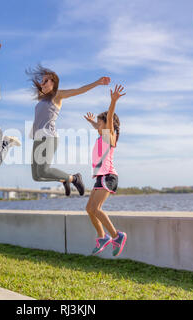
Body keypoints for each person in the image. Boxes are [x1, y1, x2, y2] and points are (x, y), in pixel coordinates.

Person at [28, 64, 111, 196]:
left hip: (49, 137)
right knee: (36, 176)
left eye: (45, 81)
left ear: (53, 83)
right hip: (37, 138)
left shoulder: (57, 95)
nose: (42, 83)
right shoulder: (42, 97)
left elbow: (79, 90)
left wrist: (97, 82)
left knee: (44, 171)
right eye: (42, 81)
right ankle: (65, 179)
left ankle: (74, 178)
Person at [84, 84, 127, 257]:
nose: (98, 125)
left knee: (96, 208)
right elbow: (99, 126)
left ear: (107, 125)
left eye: (100, 122)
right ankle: (102, 237)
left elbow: (108, 119)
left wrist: (113, 102)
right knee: (89, 208)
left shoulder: (110, 136)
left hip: (108, 176)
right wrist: (92, 122)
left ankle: (117, 236)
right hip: (100, 177)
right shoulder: (101, 135)